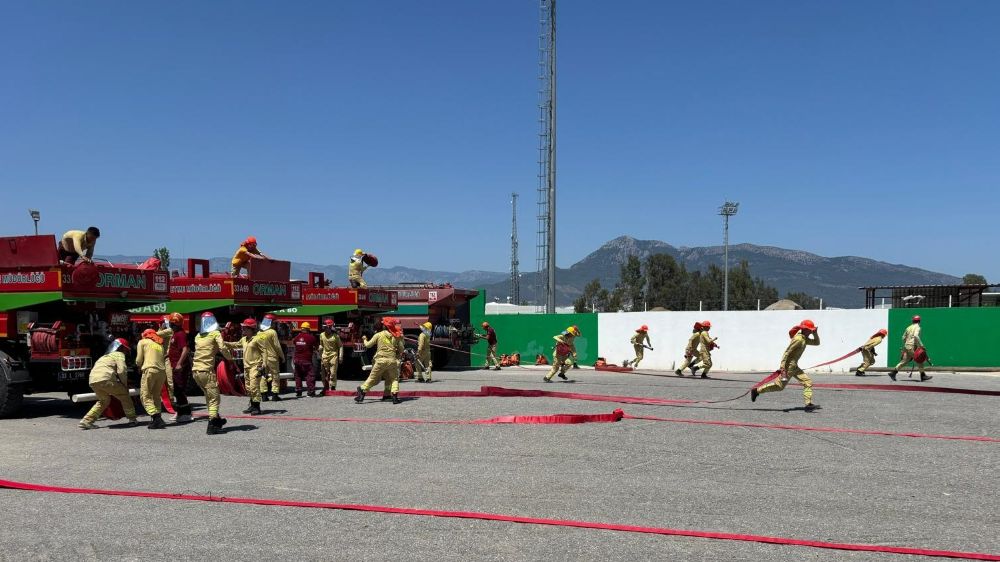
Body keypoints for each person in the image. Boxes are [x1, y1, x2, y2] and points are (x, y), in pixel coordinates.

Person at [751, 319, 821, 411]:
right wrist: (782, 368)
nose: (811, 331)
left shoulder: (804, 339)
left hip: (794, 366)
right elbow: (787, 352)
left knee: (808, 382)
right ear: (805, 329)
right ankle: (756, 391)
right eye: (810, 329)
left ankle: (808, 404)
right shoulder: (798, 339)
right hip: (788, 367)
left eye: (812, 330)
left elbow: (817, 343)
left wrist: (815, 333)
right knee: (779, 387)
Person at [78, 339, 137, 429]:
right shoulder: (119, 355)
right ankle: (132, 419)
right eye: (126, 350)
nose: (126, 352)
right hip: (106, 379)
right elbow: (122, 370)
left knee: (103, 401)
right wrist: (124, 384)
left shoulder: (104, 357)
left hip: (93, 381)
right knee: (125, 395)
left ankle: (86, 421)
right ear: (122, 348)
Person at [192, 312, 234, 434]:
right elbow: (222, 348)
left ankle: (217, 419)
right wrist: (230, 358)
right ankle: (212, 425)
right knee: (215, 398)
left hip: (196, 371)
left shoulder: (198, 336)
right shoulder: (215, 334)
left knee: (208, 396)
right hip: (206, 371)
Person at [355, 317, 404, 404]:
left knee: (372, 378)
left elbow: (368, 345)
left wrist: (364, 339)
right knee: (394, 379)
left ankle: (362, 390)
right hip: (392, 361)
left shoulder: (378, 335)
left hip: (380, 361)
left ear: (384, 326)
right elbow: (401, 349)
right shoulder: (396, 336)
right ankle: (393, 397)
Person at [231, 318, 269, 415]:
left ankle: (257, 407)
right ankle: (252, 405)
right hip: (246, 366)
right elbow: (235, 344)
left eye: (245, 328)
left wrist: (264, 363)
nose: (243, 330)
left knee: (254, 386)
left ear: (251, 329)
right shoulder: (244, 339)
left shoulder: (258, 339)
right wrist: (223, 344)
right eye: (243, 328)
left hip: (255, 366)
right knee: (248, 387)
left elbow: (264, 351)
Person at [136, 329, 169, 429]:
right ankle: (158, 417)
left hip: (150, 370)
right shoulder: (159, 345)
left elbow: (138, 360)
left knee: (145, 396)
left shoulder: (142, 342)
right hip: (162, 372)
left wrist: (138, 366)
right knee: (156, 396)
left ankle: (155, 418)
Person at [162, 313, 192, 422]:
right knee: (176, 390)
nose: (169, 323)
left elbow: (185, 349)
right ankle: (180, 413)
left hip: (180, 368)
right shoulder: (175, 333)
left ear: (173, 323)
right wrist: (166, 356)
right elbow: (175, 349)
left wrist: (179, 363)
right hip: (174, 366)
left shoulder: (180, 334)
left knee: (179, 390)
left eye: (170, 322)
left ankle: (186, 414)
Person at [889, 315, 931, 382]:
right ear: (919, 321)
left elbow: (903, 337)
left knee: (905, 361)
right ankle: (923, 376)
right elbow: (916, 336)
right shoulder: (918, 327)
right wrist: (921, 345)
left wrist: (907, 344)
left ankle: (893, 373)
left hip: (907, 346)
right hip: (912, 346)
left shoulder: (908, 327)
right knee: (919, 360)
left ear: (913, 321)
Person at [257, 314, 285, 401]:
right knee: (275, 375)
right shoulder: (272, 332)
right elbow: (277, 346)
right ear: (271, 323)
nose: (274, 324)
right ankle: (274, 395)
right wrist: (282, 356)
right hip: (272, 358)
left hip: (262, 358)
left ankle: (264, 395)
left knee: (263, 376)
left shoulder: (259, 333)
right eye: (274, 323)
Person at [292, 322, 319, 397]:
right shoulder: (311, 337)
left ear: (301, 329)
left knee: (298, 376)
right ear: (308, 329)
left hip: (297, 360)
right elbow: (316, 347)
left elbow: (294, 343)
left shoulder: (297, 337)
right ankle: (311, 392)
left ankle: (298, 391)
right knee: (310, 376)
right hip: (306, 360)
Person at [319, 319, 343, 393]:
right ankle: (325, 387)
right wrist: (320, 352)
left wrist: (340, 356)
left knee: (333, 373)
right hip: (324, 356)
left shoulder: (336, 336)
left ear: (330, 327)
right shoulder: (322, 335)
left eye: (326, 327)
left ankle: (332, 386)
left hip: (333, 355)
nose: (325, 329)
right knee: (323, 373)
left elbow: (341, 346)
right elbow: (321, 345)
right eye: (324, 327)